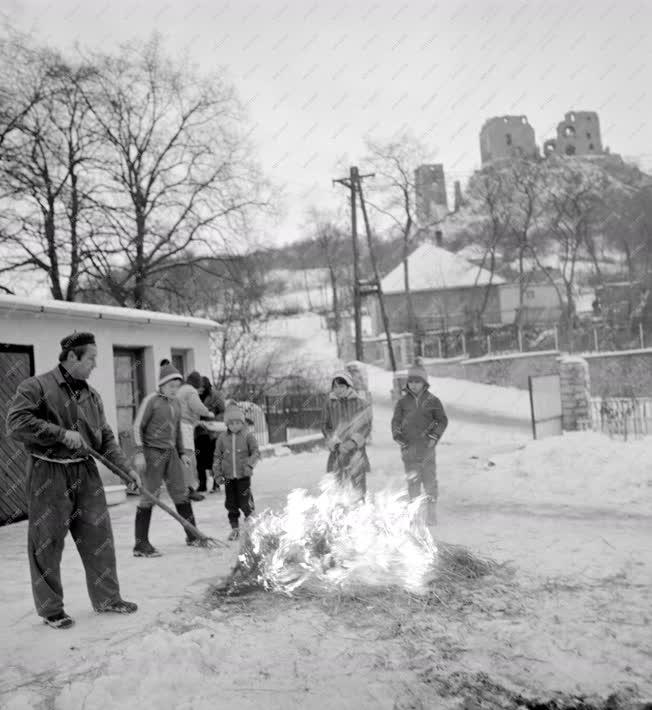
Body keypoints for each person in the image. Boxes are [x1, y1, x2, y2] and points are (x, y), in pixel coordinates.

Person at [5, 332, 140, 629]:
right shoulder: (36, 386)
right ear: (71, 357)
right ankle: (51, 609)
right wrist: (60, 433)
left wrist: (125, 470)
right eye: (91, 357)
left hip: (85, 472)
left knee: (98, 536)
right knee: (47, 542)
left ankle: (108, 598)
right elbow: (15, 424)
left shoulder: (92, 396)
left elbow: (104, 438)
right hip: (48, 473)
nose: (95, 364)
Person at [132, 361, 205, 557]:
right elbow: (137, 427)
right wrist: (139, 453)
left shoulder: (176, 404)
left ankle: (193, 535)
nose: (174, 390)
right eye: (171, 386)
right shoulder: (151, 401)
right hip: (153, 453)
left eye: (177, 386)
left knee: (181, 493)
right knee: (149, 496)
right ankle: (140, 544)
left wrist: (182, 453)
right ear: (161, 385)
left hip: (171, 453)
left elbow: (178, 431)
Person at [391, 364, 448, 526]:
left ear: (424, 383)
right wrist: (399, 437)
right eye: (411, 381)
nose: (414, 385)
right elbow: (396, 422)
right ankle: (415, 513)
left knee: (429, 479)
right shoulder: (402, 403)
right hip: (409, 448)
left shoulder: (433, 401)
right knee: (413, 481)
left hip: (427, 448)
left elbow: (442, 420)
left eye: (418, 381)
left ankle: (431, 511)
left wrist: (434, 436)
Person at [321, 369, 372, 501]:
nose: (338, 389)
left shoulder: (361, 403)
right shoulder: (329, 404)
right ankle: (341, 517)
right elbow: (325, 426)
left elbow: (365, 426)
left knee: (358, 489)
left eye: (341, 386)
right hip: (337, 452)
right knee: (337, 489)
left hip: (355, 451)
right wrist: (336, 443)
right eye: (335, 386)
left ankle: (360, 515)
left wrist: (353, 442)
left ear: (348, 386)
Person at [212, 404, 261, 541]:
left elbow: (256, 452)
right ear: (227, 424)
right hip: (228, 478)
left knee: (245, 503)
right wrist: (217, 473)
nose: (234, 426)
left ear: (242, 422)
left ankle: (252, 526)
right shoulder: (222, 438)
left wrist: (249, 466)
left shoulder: (247, 436)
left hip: (243, 476)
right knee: (231, 504)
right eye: (231, 423)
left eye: (238, 423)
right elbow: (217, 456)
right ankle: (234, 529)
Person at [177, 371, 215, 501]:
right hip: (184, 427)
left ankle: (184, 488)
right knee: (188, 457)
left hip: (180, 425)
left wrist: (197, 421)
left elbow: (186, 409)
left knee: (183, 457)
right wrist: (208, 413)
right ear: (197, 383)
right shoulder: (190, 391)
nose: (201, 389)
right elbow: (197, 407)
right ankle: (188, 489)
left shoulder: (182, 389)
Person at [194, 376, 225, 493]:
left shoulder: (216, 395)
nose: (200, 389)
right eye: (199, 387)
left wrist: (212, 419)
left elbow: (223, 411)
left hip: (212, 433)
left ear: (207, 386)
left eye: (202, 387)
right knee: (199, 459)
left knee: (213, 459)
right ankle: (202, 484)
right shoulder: (194, 396)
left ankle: (216, 484)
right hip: (198, 431)